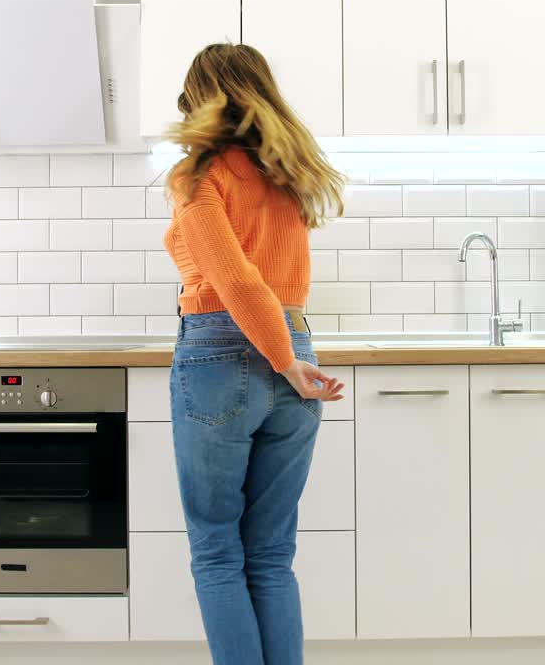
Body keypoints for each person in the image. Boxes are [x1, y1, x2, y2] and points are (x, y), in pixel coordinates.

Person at [163, 42, 347, 665]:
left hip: (226, 354)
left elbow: (237, 279)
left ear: (201, 97)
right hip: (293, 347)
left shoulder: (199, 175)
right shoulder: (286, 173)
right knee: (270, 552)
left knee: (217, 549)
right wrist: (289, 356)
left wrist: (281, 358)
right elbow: (279, 282)